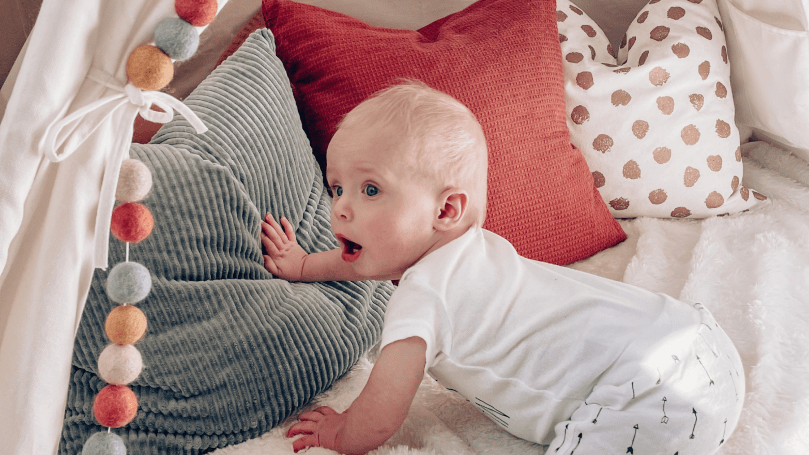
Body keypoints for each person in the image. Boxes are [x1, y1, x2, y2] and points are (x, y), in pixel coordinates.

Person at [260, 81, 745, 455]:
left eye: (370, 189)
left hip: (649, 395)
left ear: (445, 210)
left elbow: (383, 411)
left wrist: (342, 432)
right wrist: (303, 265)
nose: (341, 208)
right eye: (337, 188)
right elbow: (365, 260)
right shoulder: (473, 249)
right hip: (697, 340)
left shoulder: (422, 296)